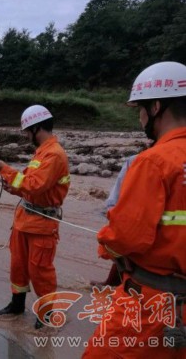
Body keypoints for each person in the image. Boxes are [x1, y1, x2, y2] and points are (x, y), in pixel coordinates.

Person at [83, 61, 186, 358]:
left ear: (156, 107)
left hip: (149, 306)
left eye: (139, 109)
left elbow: (124, 238)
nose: (139, 118)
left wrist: (105, 240)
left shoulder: (153, 162)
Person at [0, 105, 70, 329]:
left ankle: (45, 314)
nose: (25, 135)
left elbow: (35, 184)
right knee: (18, 265)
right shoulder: (42, 151)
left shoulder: (54, 154)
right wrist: (14, 188)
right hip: (25, 218)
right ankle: (17, 304)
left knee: (40, 270)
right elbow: (29, 184)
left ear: (36, 128)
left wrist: (5, 169)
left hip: (42, 224)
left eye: (27, 131)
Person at [90, 154, 138, 288]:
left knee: (126, 252)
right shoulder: (135, 160)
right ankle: (114, 283)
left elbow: (115, 197)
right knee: (123, 253)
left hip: (135, 221)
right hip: (134, 219)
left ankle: (116, 284)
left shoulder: (136, 161)